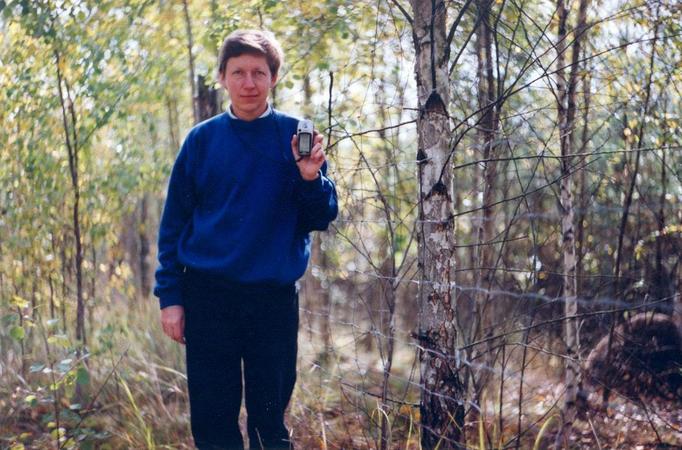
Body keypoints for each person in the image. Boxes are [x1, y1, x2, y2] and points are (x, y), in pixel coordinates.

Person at [153, 29, 338, 450]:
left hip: (271, 300)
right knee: (214, 423)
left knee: (269, 424)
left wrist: (310, 177)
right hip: (208, 298)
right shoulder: (201, 141)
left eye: (259, 72)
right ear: (222, 77)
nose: (249, 83)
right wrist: (171, 297)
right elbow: (174, 225)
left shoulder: (296, 136)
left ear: (274, 77)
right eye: (238, 72)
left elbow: (320, 217)